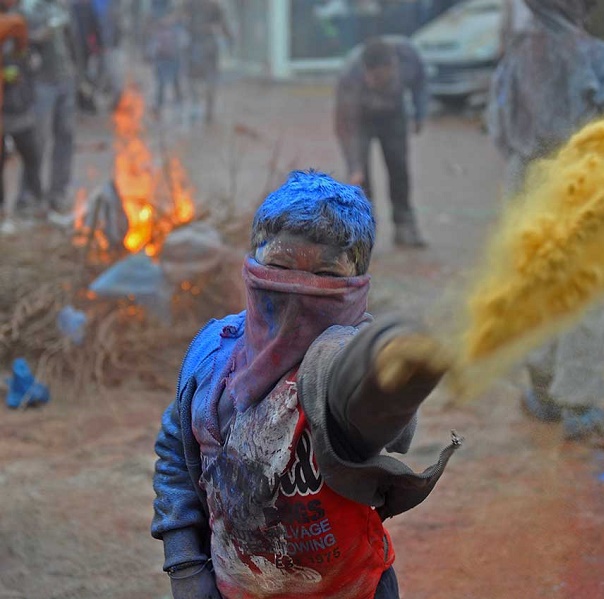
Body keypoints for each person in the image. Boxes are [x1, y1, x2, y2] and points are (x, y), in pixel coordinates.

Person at [151, 170, 460, 599]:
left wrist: (392, 369)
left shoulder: (338, 360)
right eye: (279, 267)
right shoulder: (213, 359)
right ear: (253, 266)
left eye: (326, 273)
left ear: (356, 287)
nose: (300, 290)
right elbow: (175, 450)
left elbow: (364, 402)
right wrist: (185, 563)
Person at [487, 0, 604, 449]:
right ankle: (578, 404)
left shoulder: (517, 58)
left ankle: (542, 390)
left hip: (527, 179)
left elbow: (498, 126)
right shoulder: (598, 57)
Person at [335, 36, 428, 248]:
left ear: (392, 67)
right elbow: (346, 125)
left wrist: (420, 113)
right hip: (360, 120)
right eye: (370, 77)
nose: (373, 83)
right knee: (361, 178)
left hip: (394, 117)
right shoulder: (350, 75)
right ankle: (363, 230)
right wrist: (354, 166)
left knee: (399, 168)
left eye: (378, 78)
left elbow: (421, 83)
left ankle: (404, 225)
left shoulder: (409, 59)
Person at [21, 0, 79, 216]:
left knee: (66, 136)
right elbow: (20, 43)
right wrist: (39, 35)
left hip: (65, 79)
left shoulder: (62, 8)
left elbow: (73, 43)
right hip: (42, 83)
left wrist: (79, 76)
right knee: (37, 140)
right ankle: (30, 194)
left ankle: (58, 192)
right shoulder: (28, 8)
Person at [0, 0, 43, 229]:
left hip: (18, 105)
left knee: (31, 153)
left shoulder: (18, 21)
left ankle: (30, 202)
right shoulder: (13, 21)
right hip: (5, 108)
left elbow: (24, 51)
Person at [183, 0, 231, 125]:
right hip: (206, 44)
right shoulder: (213, 5)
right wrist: (229, 38)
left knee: (194, 78)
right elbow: (223, 25)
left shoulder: (191, 4)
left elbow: (180, 18)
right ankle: (206, 110)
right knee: (208, 78)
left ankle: (198, 107)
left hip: (196, 44)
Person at [146, 2, 184, 120]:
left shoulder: (176, 28)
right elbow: (153, 44)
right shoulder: (158, 29)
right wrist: (151, 54)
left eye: (169, 17)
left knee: (175, 83)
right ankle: (159, 109)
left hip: (173, 58)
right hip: (162, 59)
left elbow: (183, 41)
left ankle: (179, 107)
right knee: (161, 84)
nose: (167, 20)